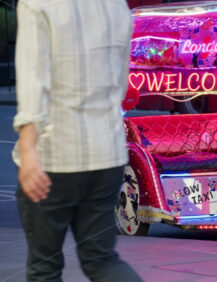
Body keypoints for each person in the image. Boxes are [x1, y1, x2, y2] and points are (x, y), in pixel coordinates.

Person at [13, 0, 142, 281]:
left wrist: (27, 148)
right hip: (107, 153)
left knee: (44, 268)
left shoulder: (38, 3)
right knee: (102, 259)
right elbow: (120, 82)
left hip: (57, 154)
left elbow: (33, 80)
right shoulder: (115, 5)